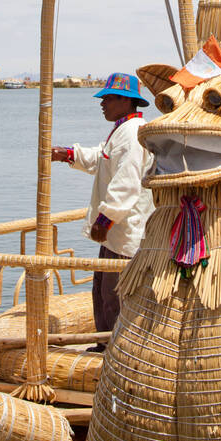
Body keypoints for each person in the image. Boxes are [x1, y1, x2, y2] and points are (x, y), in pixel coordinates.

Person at [51, 72, 154, 344]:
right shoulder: (122, 130)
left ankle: (117, 348)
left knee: (115, 295)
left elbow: (127, 181)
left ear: (126, 101)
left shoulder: (132, 135)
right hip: (116, 233)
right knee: (102, 291)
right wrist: (69, 154)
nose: (102, 103)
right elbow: (103, 158)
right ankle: (104, 343)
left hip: (124, 232)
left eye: (108, 98)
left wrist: (105, 220)